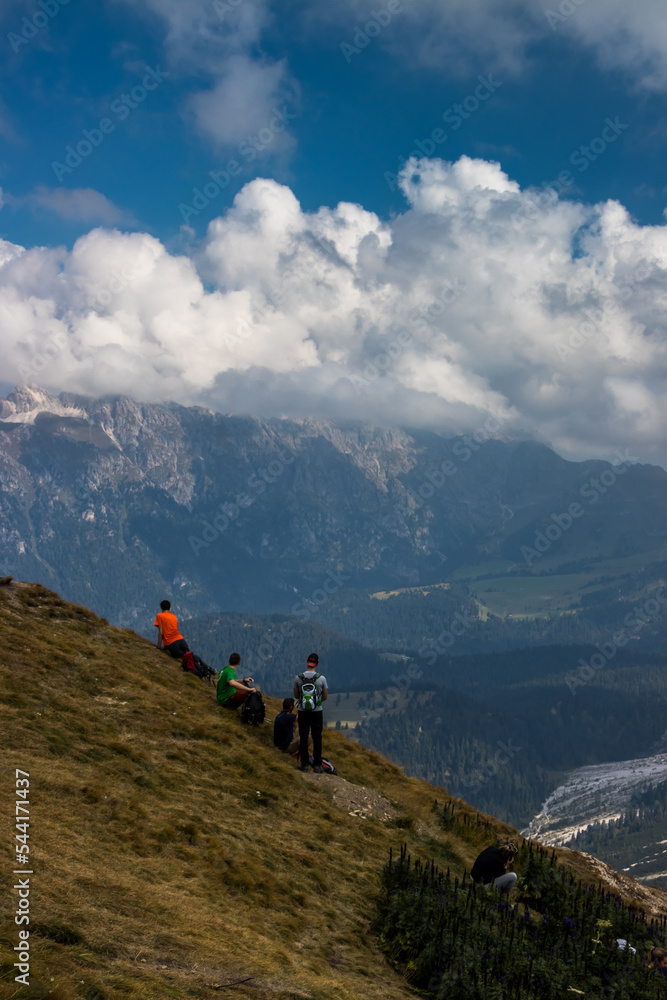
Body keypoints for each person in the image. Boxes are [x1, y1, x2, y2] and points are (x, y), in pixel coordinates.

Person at [293, 653, 328, 773]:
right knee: (317, 737)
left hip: (302, 711)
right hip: (317, 712)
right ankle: (317, 765)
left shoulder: (298, 678)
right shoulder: (321, 678)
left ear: (307, 662)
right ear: (316, 664)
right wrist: (317, 702)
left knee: (303, 736)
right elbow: (325, 696)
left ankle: (304, 764)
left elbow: (296, 695)